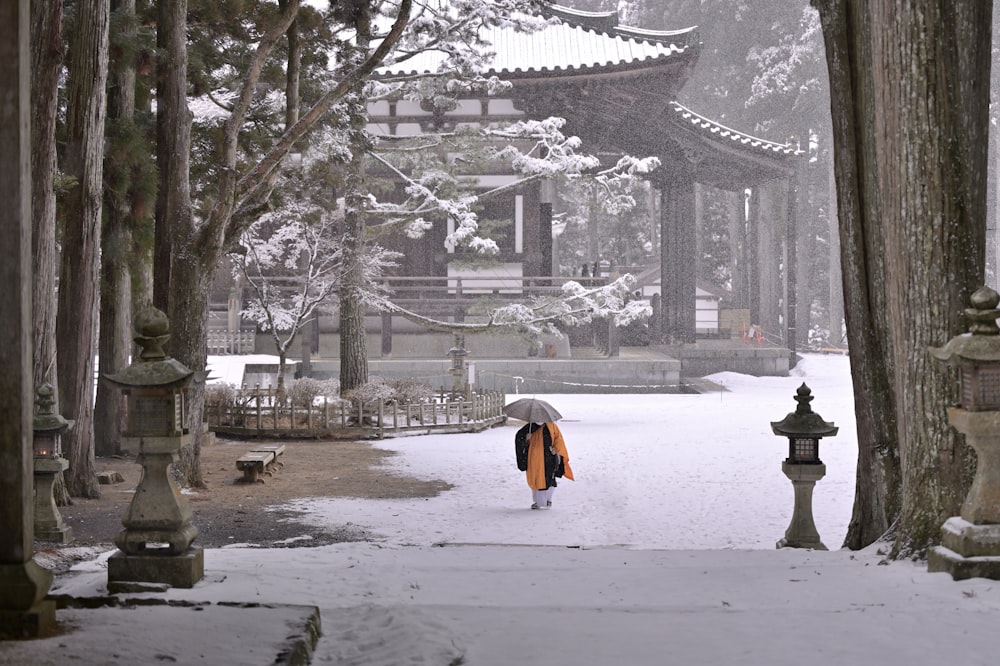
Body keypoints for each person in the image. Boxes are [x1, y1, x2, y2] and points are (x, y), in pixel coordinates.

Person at [514, 421, 574, 509]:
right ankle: (540, 501)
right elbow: (520, 439)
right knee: (537, 479)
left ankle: (545, 500)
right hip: (534, 459)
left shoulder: (551, 426)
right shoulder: (529, 427)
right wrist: (526, 439)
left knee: (548, 479)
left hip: (548, 458)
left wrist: (556, 449)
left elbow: (558, 439)